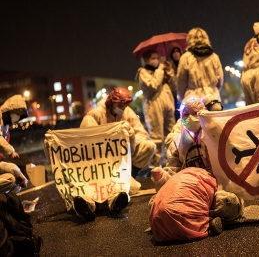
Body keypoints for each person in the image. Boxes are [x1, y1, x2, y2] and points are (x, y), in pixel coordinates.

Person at [151, 95, 243, 236]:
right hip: (189, 190)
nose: (190, 118)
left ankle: (199, 219)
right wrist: (162, 177)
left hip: (215, 189)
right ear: (180, 116)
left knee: (227, 202)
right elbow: (173, 174)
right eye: (186, 114)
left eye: (195, 113)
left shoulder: (216, 134)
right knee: (155, 204)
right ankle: (209, 220)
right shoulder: (177, 143)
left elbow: (233, 163)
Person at [73, 87, 156, 221]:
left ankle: (121, 189)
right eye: (119, 106)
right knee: (87, 191)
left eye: (124, 106)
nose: (122, 109)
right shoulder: (94, 115)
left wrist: (129, 141)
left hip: (118, 165)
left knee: (148, 146)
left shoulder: (127, 113)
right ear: (111, 103)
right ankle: (87, 205)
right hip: (97, 165)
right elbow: (82, 141)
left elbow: (142, 133)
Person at [135, 49, 176, 168]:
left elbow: (174, 86)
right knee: (156, 138)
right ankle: (154, 167)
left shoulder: (162, 71)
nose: (157, 60)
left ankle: (171, 162)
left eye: (158, 58)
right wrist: (159, 70)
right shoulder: (143, 72)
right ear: (146, 59)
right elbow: (153, 86)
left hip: (167, 105)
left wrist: (170, 71)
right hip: (153, 106)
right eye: (153, 58)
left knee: (171, 135)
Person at [177, 28, 224, 102]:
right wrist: (213, 90)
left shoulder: (185, 58)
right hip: (212, 96)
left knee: (194, 114)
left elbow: (181, 82)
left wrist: (181, 98)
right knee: (214, 113)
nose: (199, 39)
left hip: (193, 99)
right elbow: (220, 80)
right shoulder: (214, 57)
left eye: (200, 37)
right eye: (196, 37)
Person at [0, 95, 28, 194]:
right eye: (18, 115)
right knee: (10, 179)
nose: (18, 120)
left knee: (15, 185)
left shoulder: (6, 127)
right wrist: (11, 152)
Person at [168, 43, 183, 121]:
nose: (176, 53)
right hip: (174, 98)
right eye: (173, 52)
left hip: (184, 95)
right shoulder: (169, 67)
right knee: (177, 118)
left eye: (177, 51)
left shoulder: (184, 65)